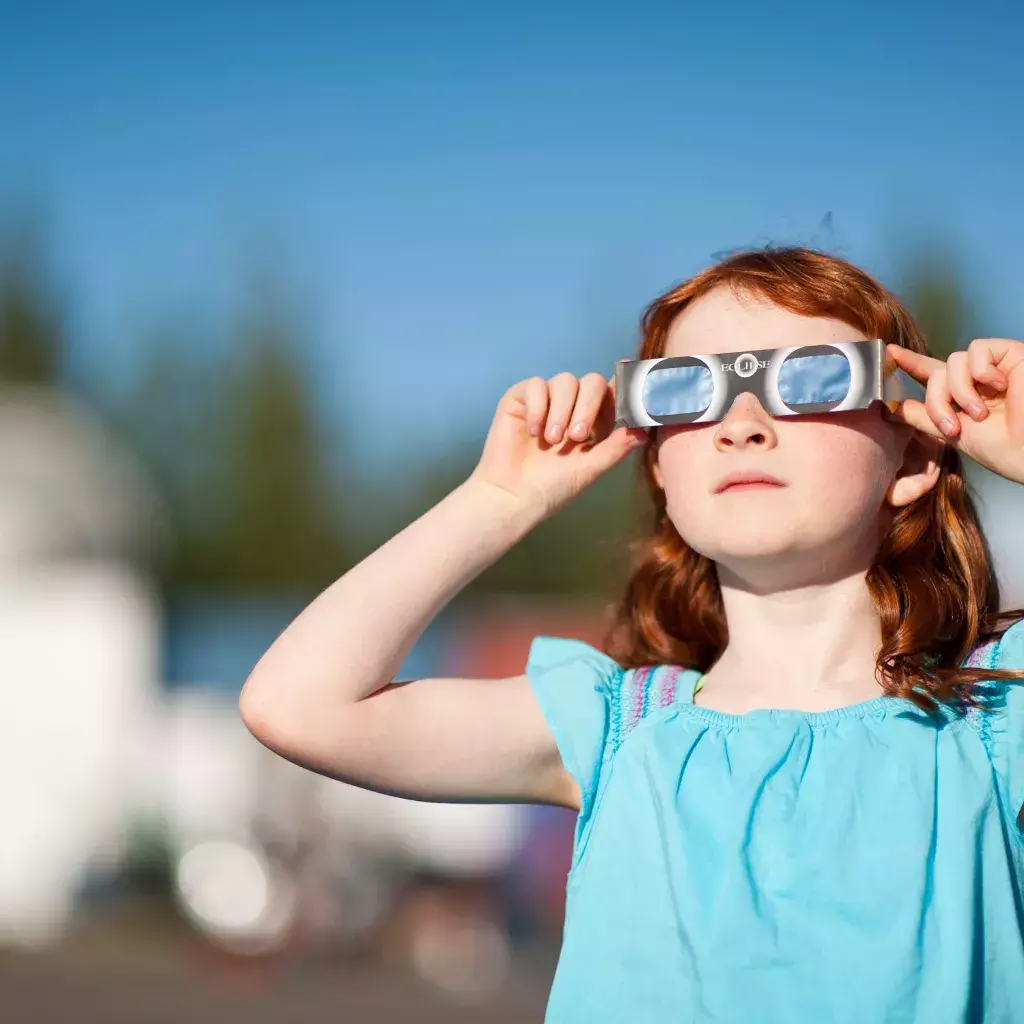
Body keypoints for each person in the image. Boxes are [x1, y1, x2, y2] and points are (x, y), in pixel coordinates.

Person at [238, 246, 1024, 1022]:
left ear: (916, 456)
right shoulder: (616, 730)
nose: (742, 424)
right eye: (690, 392)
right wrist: (501, 499)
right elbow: (299, 705)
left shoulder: (998, 715)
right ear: (657, 466)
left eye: (810, 378)